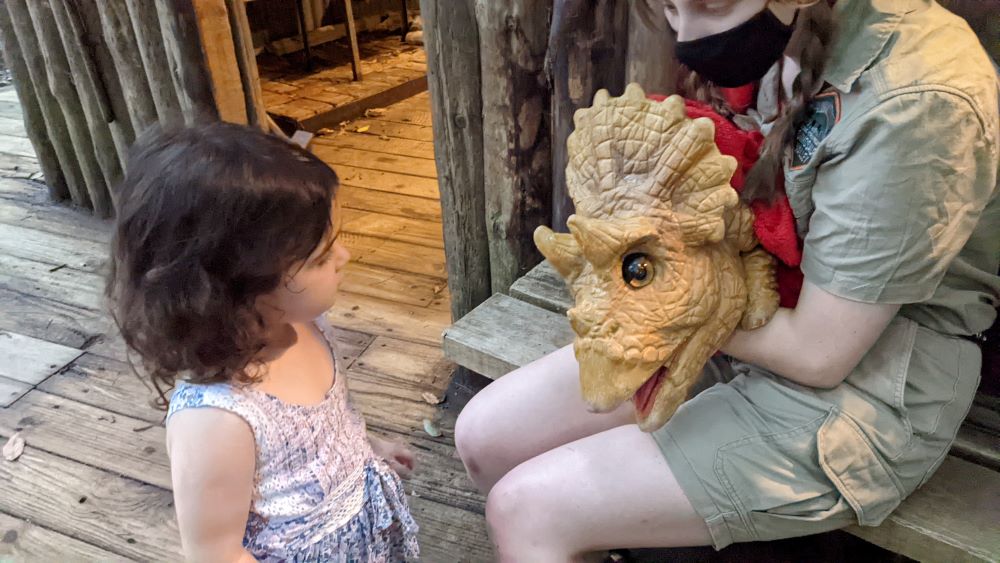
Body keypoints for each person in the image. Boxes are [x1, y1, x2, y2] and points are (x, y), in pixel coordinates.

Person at [454, 0, 999, 560]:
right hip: (739, 312)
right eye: (669, 6)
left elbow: (821, 354)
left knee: (529, 513)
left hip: (859, 384)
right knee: (483, 439)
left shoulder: (917, 100)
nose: (688, 37)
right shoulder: (780, 32)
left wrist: (662, 299)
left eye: (709, 4)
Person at [106, 122, 419, 562]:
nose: (344, 257)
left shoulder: (305, 323)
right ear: (242, 285)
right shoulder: (218, 418)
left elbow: (333, 422)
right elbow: (215, 554)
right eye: (322, 256)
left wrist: (368, 449)